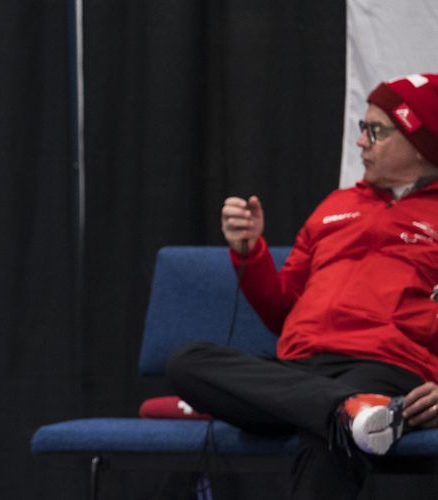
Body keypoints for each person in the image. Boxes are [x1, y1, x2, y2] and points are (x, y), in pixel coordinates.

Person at [166, 72, 438, 499]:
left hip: (383, 366)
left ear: (421, 147)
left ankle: (349, 412)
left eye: (377, 131)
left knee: (331, 436)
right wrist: (249, 252)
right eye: (362, 128)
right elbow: (281, 311)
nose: (362, 142)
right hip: (302, 368)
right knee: (186, 360)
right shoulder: (336, 205)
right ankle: (352, 411)